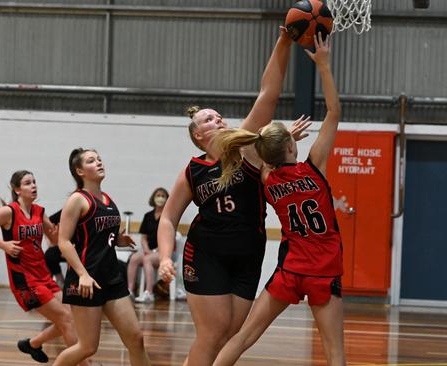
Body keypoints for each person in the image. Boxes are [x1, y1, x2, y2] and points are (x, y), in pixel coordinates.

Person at [157, 27, 297, 366]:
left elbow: (269, 94)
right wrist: (164, 257)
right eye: (208, 118)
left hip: (248, 254)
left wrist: (282, 42)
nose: (217, 117)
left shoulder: (248, 148)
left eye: (217, 114)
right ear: (198, 135)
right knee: (213, 331)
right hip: (207, 253)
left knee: (230, 337)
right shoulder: (193, 170)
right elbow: (168, 218)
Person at [211, 33, 345, 366]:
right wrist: (324, 66)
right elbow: (334, 112)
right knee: (334, 354)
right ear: (291, 146)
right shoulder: (314, 168)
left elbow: (264, 152)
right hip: (323, 272)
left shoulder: (267, 179)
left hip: (289, 270)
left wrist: (285, 138)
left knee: (243, 338)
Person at [0, 171, 90, 365]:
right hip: (25, 281)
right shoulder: (9, 211)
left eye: (34, 182)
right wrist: (4, 245)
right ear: (17, 189)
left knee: (71, 317)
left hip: (44, 275)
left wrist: (61, 230)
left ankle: (33, 344)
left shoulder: (39, 211)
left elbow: (54, 239)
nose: (33, 185)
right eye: (28, 183)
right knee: (66, 318)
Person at [53, 148, 151, 366]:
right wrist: (83, 275)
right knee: (87, 347)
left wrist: (118, 239)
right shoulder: (77, 200)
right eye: (91, 161)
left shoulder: (107, 198)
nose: (98, 162)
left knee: (136, 339)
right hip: (86, 279)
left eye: (99, 159)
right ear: (79, 170)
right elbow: (64, 242)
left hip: (111, 277)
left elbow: (99, 234)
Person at [127, 187, 169, 303]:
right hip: (149, 250)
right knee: (134, 258)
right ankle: (130, 290)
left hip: (163, 251)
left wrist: (156, 250)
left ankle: (149, 293)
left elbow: (169, 237)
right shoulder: (148, 216)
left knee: (147, 259)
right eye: (158, 195)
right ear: (153, 198)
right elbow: (144, 237)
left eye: (163, 196)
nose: (160, 198)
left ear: (167, 199)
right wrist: (146, 249)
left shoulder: (168, 216)